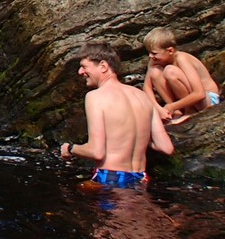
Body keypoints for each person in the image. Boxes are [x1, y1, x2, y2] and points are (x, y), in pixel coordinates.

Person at [59, 42, 174, 188]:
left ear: (103, 66)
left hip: (111, 176)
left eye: (84, 66)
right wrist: (137, 137)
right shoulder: (142, 96)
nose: (80, 72)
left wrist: (70, 148)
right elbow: (166, 147)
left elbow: (96, 152)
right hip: (141, 177)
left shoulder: (95, 97)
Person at [142, 26, 221, 123]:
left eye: (154, 53)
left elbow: (199, 94)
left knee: (170, 71)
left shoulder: (181, 59)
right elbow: (146, 88)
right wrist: (158, 108)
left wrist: (172, 106)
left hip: (208, 99)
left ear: (170, 51)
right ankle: (177, 112)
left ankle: (189, 111)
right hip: (183, 101)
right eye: (149, 53)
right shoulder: (154, 60)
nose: (150, 56)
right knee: (154, 72)